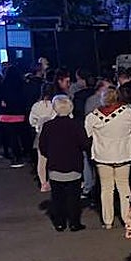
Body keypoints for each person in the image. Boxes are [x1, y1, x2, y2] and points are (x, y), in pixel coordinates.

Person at [85, 87, 131, 231]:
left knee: (106, 188)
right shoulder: (128, 113)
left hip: (102, 156)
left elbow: (88, 134)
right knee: (124, 187)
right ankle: (127, 219)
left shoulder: (93, 116)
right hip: (123, 154)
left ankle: (108, 221)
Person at [38, 95, 90, 232]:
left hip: (55, 165)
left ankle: (60, 223)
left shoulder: (48, 126)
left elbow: (42, 147)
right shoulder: (76, 125)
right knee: (74, 196)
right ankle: (74, 222)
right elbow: (85, 144)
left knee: (57, 197)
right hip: (74, 165)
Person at [0, 66, 30, 168]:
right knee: (23, 136)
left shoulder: (3, 85)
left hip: (7, 115)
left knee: (12, 138)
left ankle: (15, 156)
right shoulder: (22, 85)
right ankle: (25, 154)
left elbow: (1, 100)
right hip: (20, 114)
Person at [29, 85, 57, 190]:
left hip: (41, 134)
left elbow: (32, 121)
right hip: (55, 135)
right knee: (53, 160)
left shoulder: (36, 106)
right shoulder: (56, 104)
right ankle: (52, 181)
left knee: (41, 161)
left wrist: (38, 125)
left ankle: (43, 183)